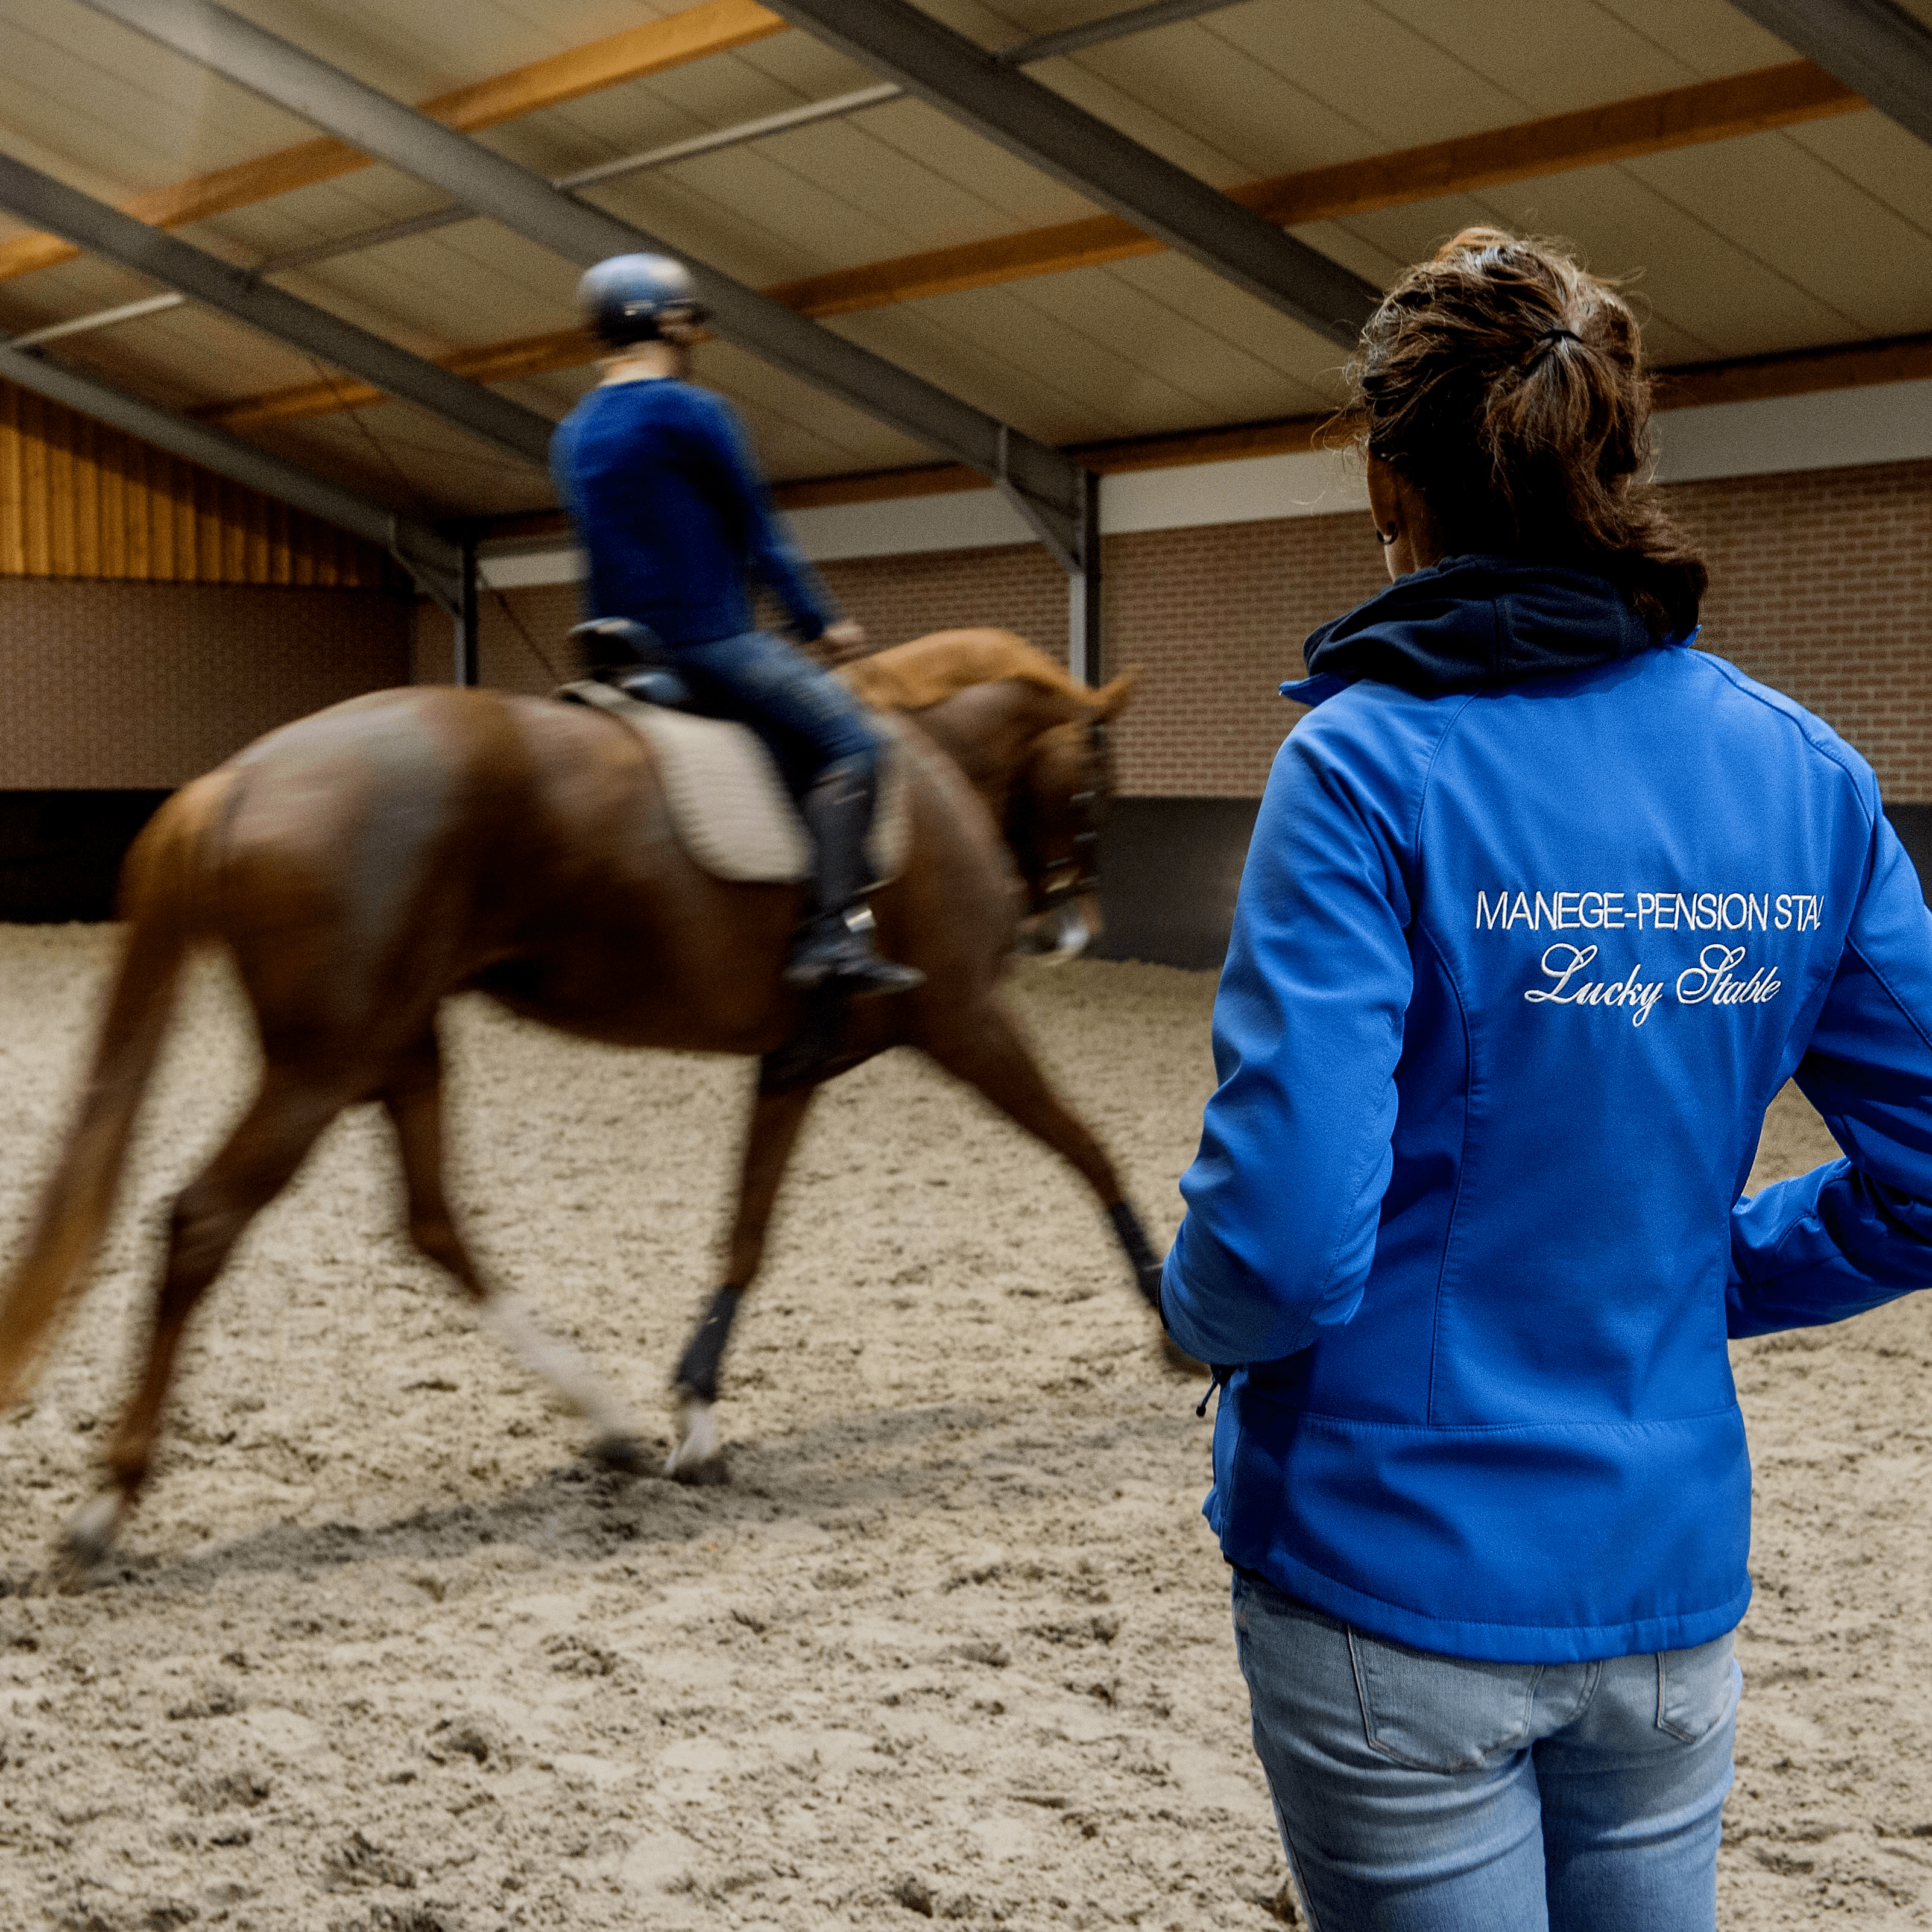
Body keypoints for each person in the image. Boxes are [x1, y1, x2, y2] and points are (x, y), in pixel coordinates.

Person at [1159, 227, 1932, 1930]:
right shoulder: (1807, 775)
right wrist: (1707, 1269)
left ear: (1384, 475)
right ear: (1618, 452)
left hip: (1384, 1564)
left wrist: (1192, 1309)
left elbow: (1280, 1245)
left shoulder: (1358, 761)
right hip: (1664, 1584)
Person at [549, 252, 922, 998]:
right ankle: (829, 939)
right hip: (707, 642)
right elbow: (761, 536)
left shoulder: (576, 431)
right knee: (856, 741)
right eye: (684, 317)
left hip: (614, 652)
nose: (691, 331)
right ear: (661, 320)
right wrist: (823, 624)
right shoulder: (695, 413)